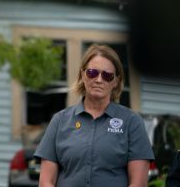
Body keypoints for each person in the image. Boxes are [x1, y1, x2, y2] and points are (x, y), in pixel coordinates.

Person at [34, 44, 154, 187]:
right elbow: (46, 182)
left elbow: (139, 183)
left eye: (107, 75)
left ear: (116, 81)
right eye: (92, 73)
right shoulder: (59, 121)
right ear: (82, 75)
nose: (98, 79)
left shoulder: (132, 122)